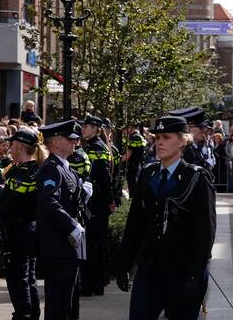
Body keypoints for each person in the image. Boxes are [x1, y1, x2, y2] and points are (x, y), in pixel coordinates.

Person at [117, 114, 216, 320]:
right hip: (149, 270)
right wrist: (124, 265)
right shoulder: (148, 174)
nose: (160, 142)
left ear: (182, 141)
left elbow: (205, 232)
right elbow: (135, 224)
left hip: (182, 271)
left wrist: (195, 276)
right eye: (158, 137)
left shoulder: (196, 178)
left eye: (167, 137)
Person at [0, 128, 44, 320]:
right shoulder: (28, 168)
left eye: (12, 145)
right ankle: (31, 314)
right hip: (26, 230)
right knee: (27, 277)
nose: (9, 148)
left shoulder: (25, 172)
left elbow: (13, 202)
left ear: (20, 147)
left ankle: (23, 314)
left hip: (19, 231)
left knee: (18, 278)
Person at [36, 119, 86, 320]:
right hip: (57, 246)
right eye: (70, 139)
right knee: (59, 303)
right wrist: (71, 226)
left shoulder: (66, 168)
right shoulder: (52, 168)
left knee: (70, 300)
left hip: (67, 247)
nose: (75, 142)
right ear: (55, 142)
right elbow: (48, 202)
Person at [80, 116, 113, 297]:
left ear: (95, 129)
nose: (83, 129)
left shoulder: (97, 148)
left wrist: (108, 200)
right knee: (95, 244)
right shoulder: (92, 146)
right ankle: (96, 283)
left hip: (97, 203)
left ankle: (92, 284)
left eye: (86, 126)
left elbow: (104, 178)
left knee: (93, 245)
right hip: (97, 202)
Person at [122, 125, 146, 196]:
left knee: (133, 183)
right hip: (138, 163)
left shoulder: (134, 138)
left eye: (125, 129)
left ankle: (134, 198)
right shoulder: (139, 136)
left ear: (130, 128)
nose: (124, 131)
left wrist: (116, 161)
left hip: (133, 165)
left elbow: (127, 155)